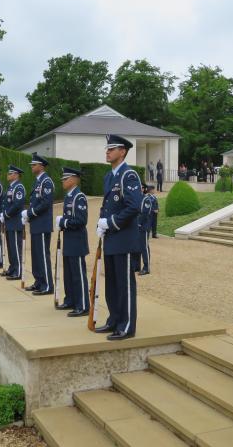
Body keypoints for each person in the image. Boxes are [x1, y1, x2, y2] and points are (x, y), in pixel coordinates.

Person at [95, 134, 143, 341]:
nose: (107, 151)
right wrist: (101, 223)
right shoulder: (109, 176)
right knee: (112, 282)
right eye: (107, 148)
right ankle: (114, 319)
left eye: (112, 148)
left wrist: (111, 222)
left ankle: (127, 325)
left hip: (123, 238)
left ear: (122, 151)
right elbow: (108, 205)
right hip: (111, 237)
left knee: (125, 284)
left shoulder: (128, 175)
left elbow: (134, 206)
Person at [55, 167, 90, 317]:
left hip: (76, 241)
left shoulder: (79, 197)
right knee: (68, 274)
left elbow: (81, 221)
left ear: (74, 179)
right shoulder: (69, 196)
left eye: (65, 179)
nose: (63, 181)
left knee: (78, 274)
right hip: (69, 240)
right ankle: (70, 300)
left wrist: (63, 222)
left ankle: (82, 305)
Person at [22, 153, 54, 296]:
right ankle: (39, 281)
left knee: (42, 255)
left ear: (41, 166)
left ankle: (47, 284)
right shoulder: (37, 182)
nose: (32, 167)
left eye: (34, 165)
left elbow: (45, 203)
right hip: (36, 224)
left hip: (42, 224)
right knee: (36, 255)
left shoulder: (46, 182)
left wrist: (30, 213)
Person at [1, 165, 26, 280]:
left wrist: (6, 214)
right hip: (10, 222)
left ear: (16, 175)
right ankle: (12, 268)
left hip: (15, 222)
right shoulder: (11, 187)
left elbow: (17, 204)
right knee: (11, 247)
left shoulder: (18, 187)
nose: (8, 175)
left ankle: (18, 271)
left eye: (10, 173)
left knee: (16, 247)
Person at [137, 184, 153, 276]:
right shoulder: (136, 198)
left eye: (140, 188)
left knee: (144, 247)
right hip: (137, 226)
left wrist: (138, 223)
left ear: (143, 189)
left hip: (143, 226)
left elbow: (144, 213)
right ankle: (136, 266)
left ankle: (146, 267)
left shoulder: (146, 199)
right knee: (137, 246)